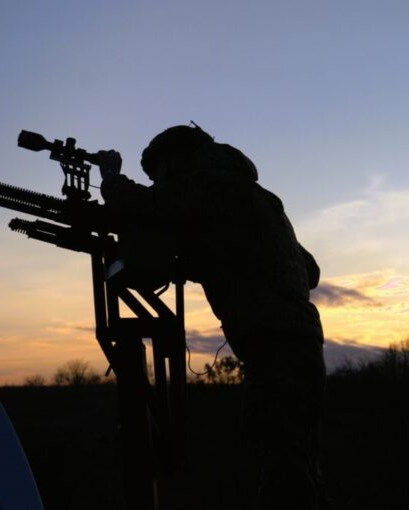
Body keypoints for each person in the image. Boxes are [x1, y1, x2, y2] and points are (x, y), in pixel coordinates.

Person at [97, 124, 331, 510]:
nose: (159, 183)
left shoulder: (208, 184)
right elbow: (309, 269)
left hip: (271, 341)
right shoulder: (258, 197)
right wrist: (212, 255)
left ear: (174, 161)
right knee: (297, 459)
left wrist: (110, 177)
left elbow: (147, 204)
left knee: (280, 465)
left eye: (158, 175)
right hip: (301, 338)